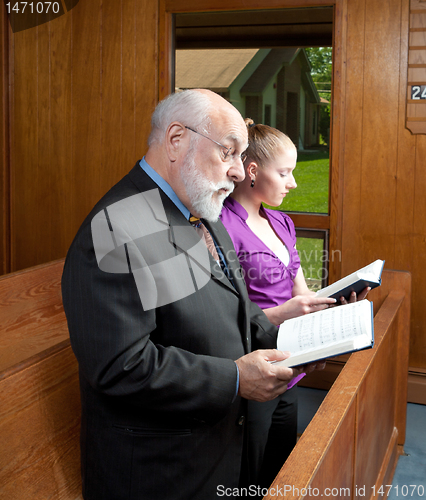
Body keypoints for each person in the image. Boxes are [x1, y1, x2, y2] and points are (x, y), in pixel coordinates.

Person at [61, 90, 322, 500]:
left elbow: (239, 309)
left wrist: (305, 342)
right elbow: (121, 366)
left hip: (220, 447)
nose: (239, 172)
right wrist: (235, 378)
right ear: (176, 138)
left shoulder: (203, 211)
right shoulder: (115, 227)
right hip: (162, 469)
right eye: (229, 152)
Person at [220, 119, 369, 489]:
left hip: (290, 357)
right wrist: (284, 313)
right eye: (284, 172)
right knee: (247, 469)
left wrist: (335, 304)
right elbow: (223, 316)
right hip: (250, 360)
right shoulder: (221, 224)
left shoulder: (282, 222)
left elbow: (300, 293)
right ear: (252, 171)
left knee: (282, 459)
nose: (293, 183)